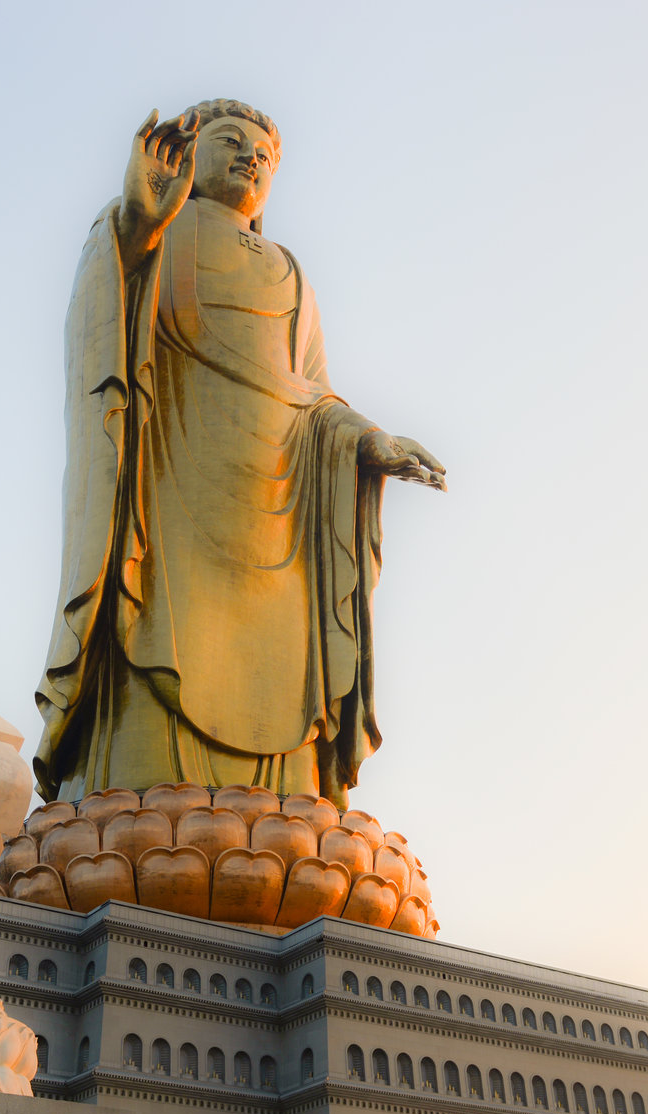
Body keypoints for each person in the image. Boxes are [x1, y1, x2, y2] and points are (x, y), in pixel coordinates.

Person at [34, 100, 445, 806]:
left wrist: (365, 439)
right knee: (157, 636)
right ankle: (135, 792)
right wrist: (139, 226)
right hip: (170, 487)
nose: (252, 159)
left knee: (283, 681)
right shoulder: (149, 227)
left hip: (282, 509)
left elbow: (313, 395)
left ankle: (286, 809)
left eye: (266, 154)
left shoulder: (290, 272)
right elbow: (110, 324)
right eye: (232, 142)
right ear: (188, 155)